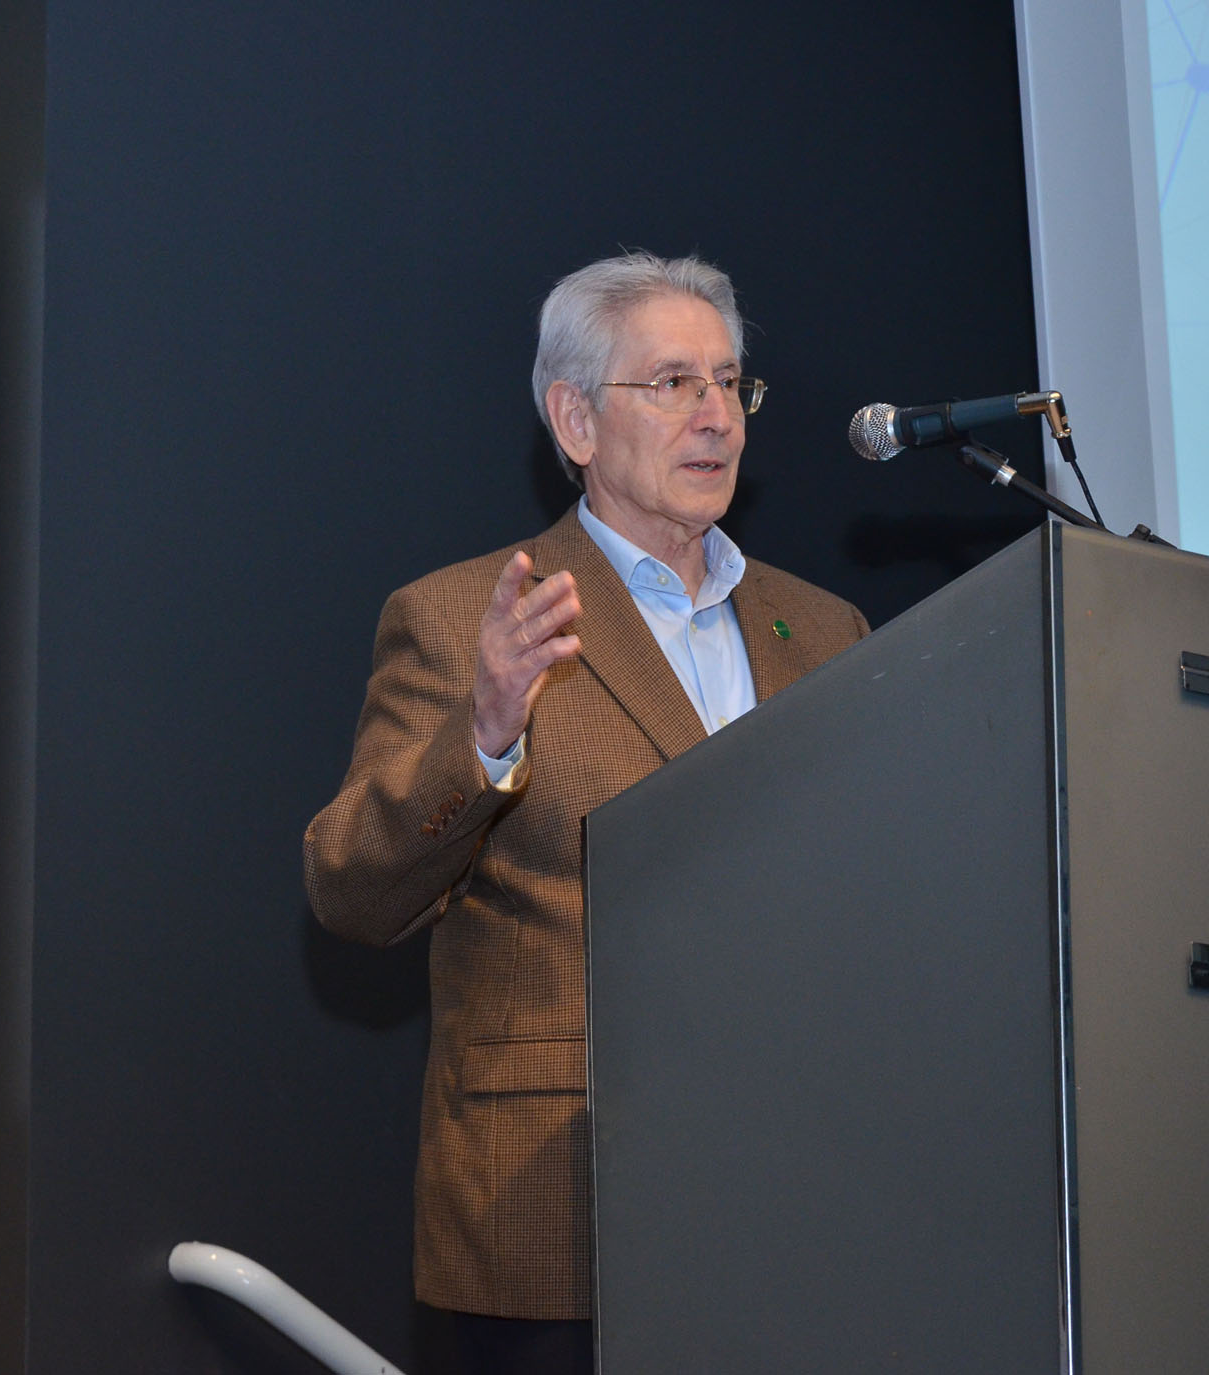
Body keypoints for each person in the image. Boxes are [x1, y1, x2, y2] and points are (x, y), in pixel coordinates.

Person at [303, 253, 870, 1375]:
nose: (716, 415)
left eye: (730, 382)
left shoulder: (826, 628)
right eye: (672, 383)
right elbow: (348, 886)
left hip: (798, 1194)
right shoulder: (464, 616)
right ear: (574, 419)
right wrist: (484, 733)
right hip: (562, 1203)